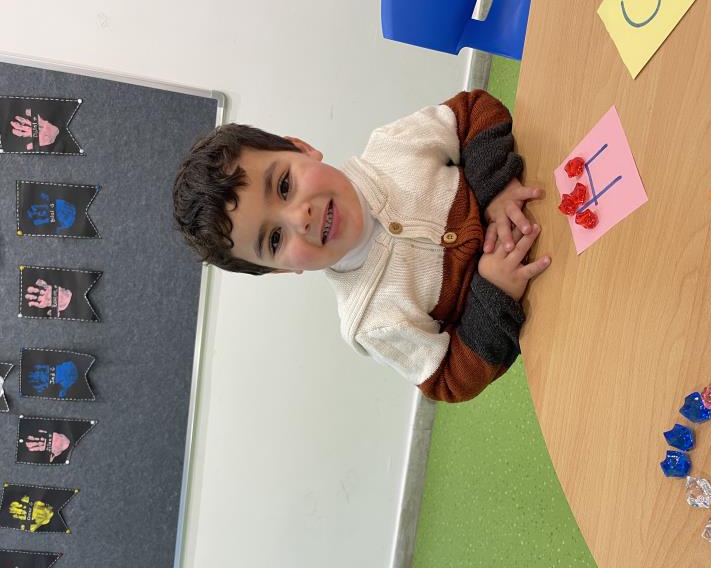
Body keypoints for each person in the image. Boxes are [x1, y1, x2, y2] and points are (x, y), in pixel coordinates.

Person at [173, 90, 550, 402]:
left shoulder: (393, 146)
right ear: (282, 269)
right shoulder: (371, 321)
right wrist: (493, 291)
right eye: (275, 238)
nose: (300, 218)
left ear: (301, 148)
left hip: (545, 201)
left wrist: (495, 188)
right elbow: (451, 380)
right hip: (543, 308)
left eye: (284, 186)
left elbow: (474, 111)